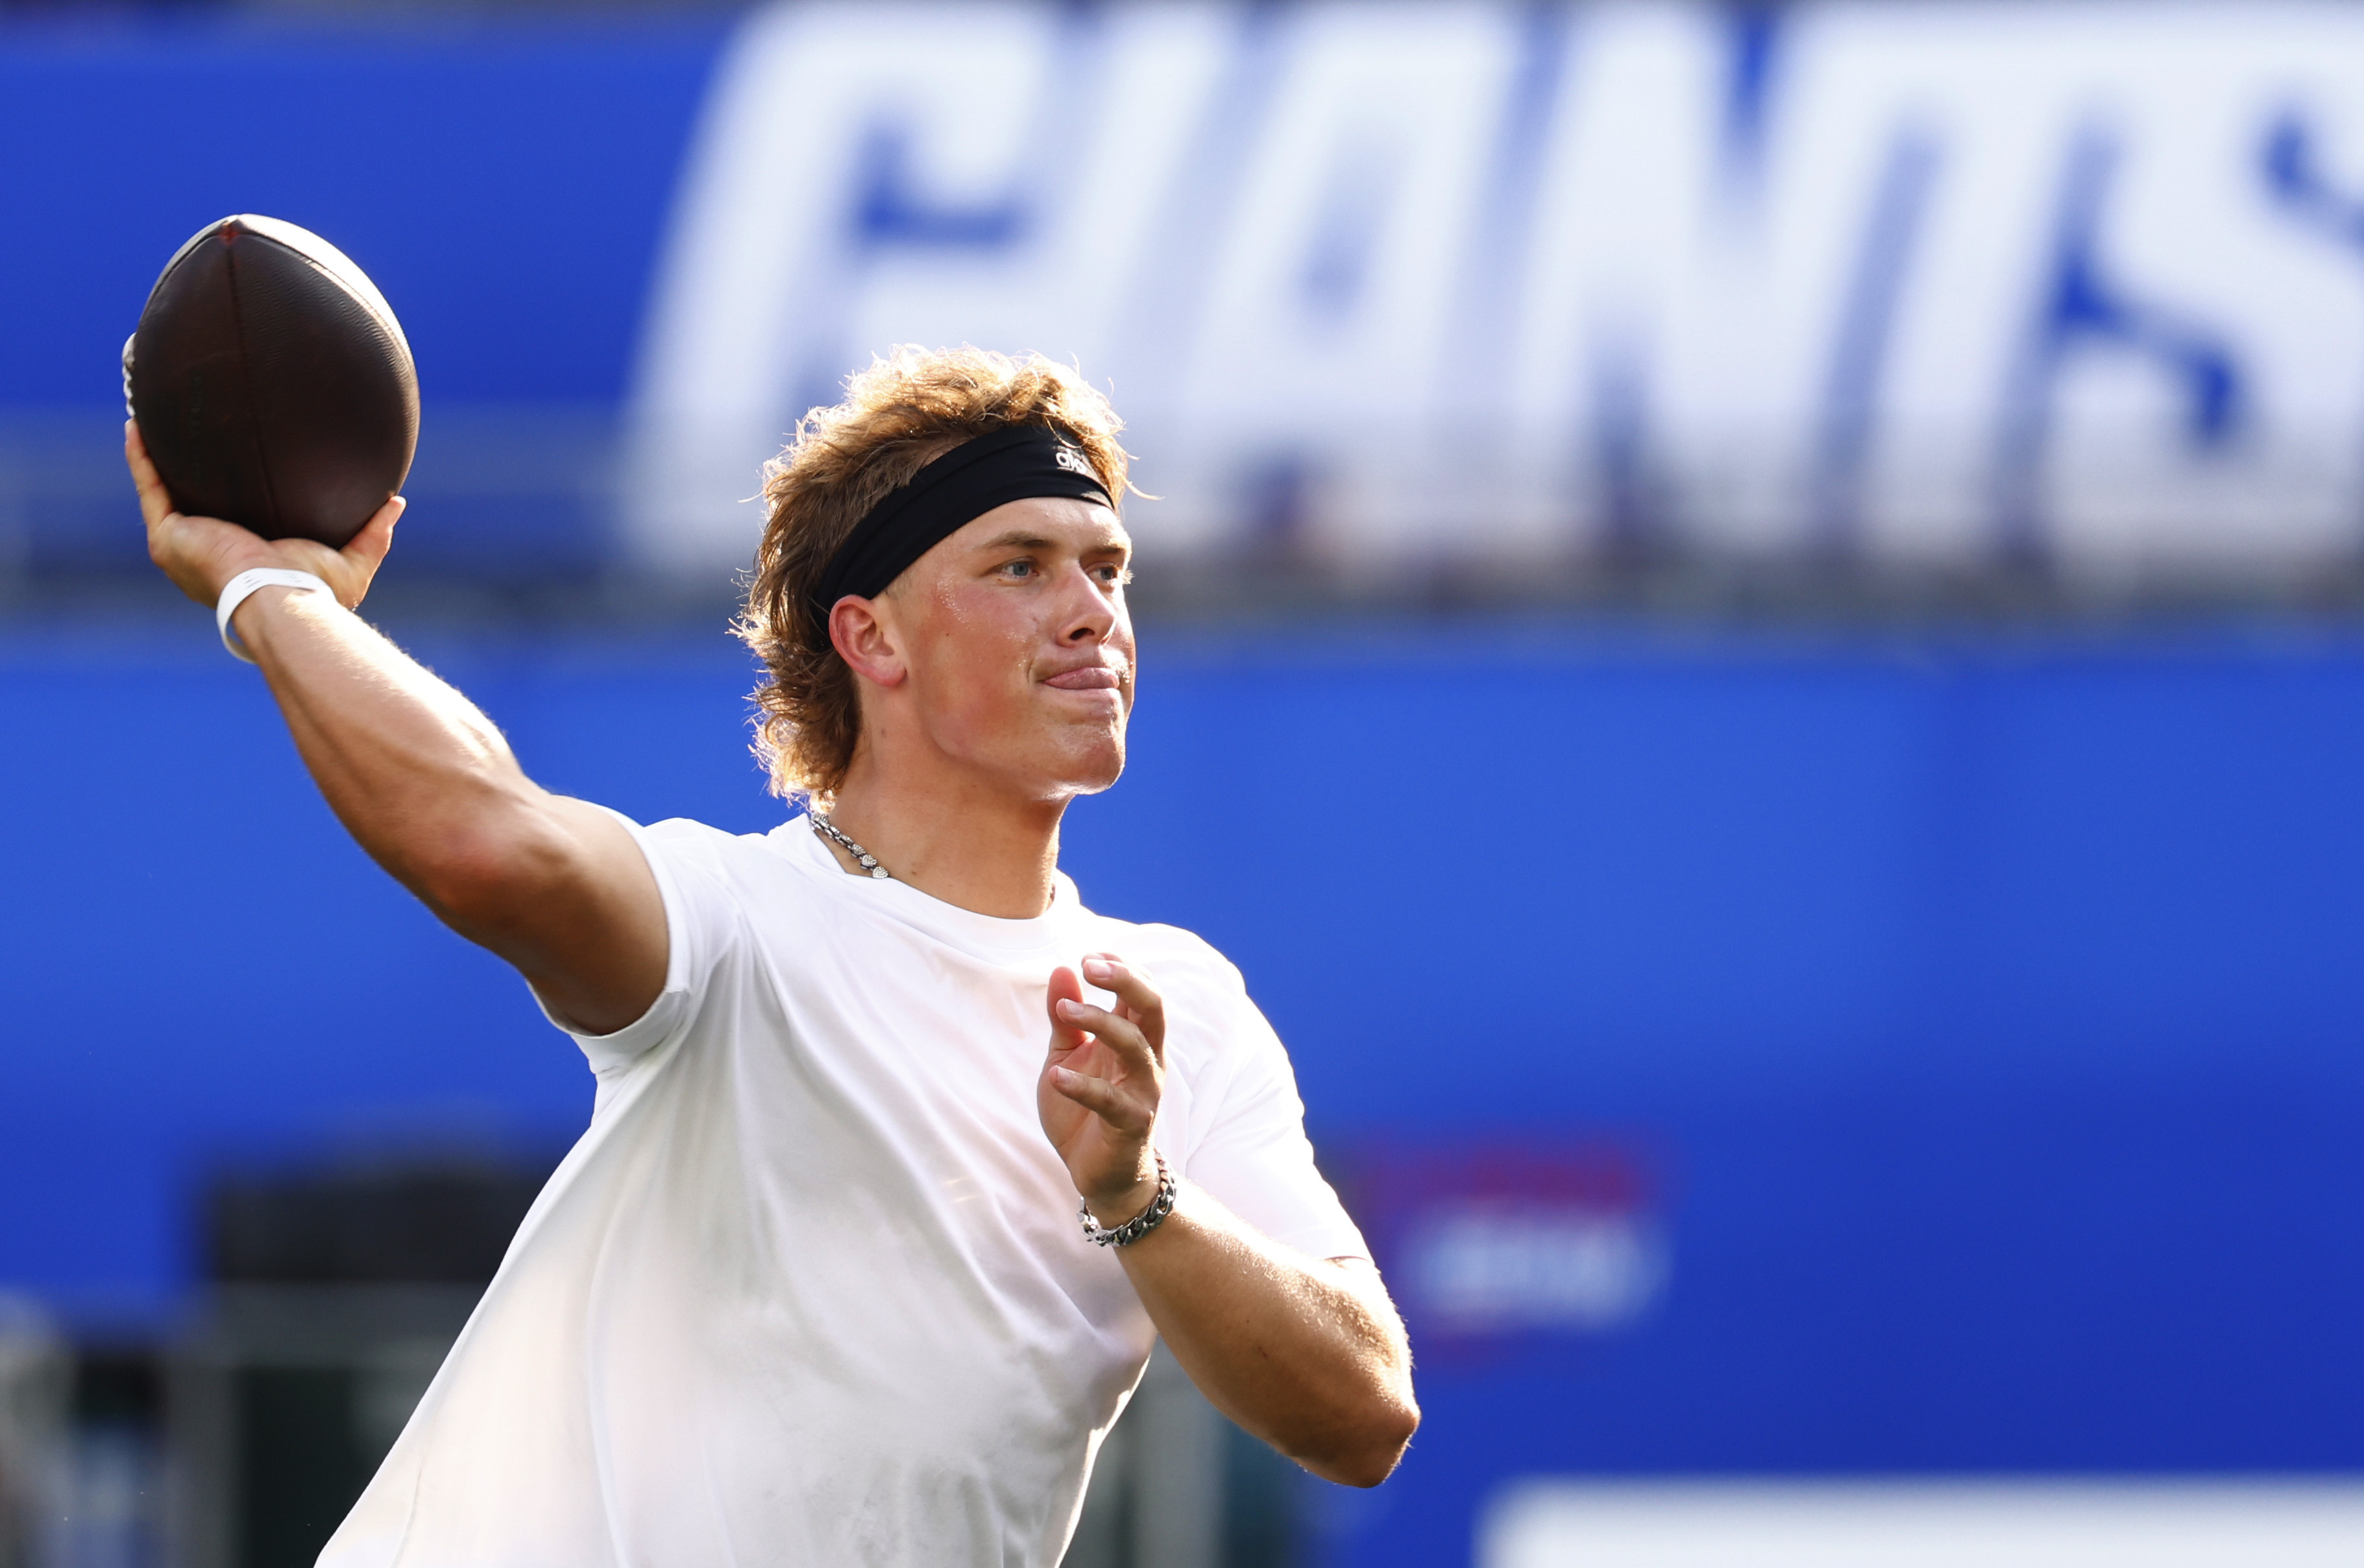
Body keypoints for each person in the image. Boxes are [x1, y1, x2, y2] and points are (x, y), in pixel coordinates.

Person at [127, 346, 1418, 1565]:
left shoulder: (1173, 1006)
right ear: (872, 639)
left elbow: (1363, 1412)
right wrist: (273, 592)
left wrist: (1138, 1192)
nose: (1092, 615)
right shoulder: (734, 922)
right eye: (1021, 566)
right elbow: (490, 844)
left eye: (1108, 568)